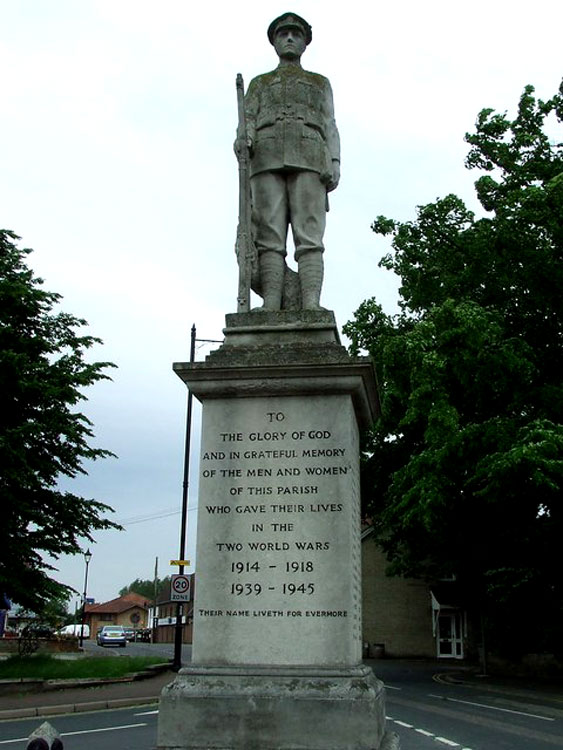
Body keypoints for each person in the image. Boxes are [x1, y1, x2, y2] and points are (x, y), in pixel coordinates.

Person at [239, 12, 340, 311]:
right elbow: (248, 119)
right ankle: (271, 304)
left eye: (295, 34)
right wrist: (243, 138)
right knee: (268, 236)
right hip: (266, 158)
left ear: (305, 42)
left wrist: (334, 161)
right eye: (283, 34)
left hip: (310, 157)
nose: (290, 39)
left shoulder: (319, 83)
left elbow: (330, 123)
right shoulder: (259, 84)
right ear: (274, 41)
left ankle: (311, 305)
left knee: (309, 236)